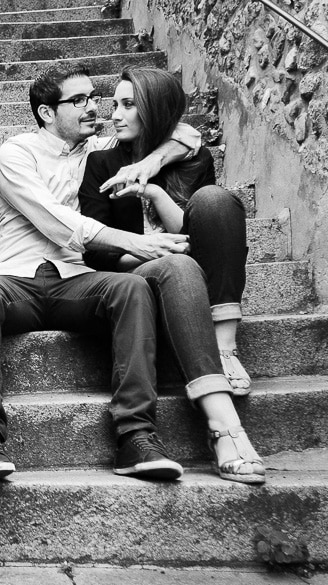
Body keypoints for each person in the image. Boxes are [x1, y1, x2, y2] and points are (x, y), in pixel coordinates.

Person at [0, 64, 201, 484]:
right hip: (13, 278)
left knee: (132, 288)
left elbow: (189, 136)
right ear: (47, 113)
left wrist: (151, 162)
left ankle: (136, 436)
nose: (94, 108)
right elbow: (54, 221)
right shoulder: (16, 152)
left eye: (93, 97)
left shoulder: (104, 151)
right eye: (79, 101)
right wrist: (131, 241)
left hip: (77, 281)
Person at [78, 67, 264, 485]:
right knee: (177, 265)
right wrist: (146, 250)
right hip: (139, 275)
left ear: (154, 110)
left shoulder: (190, 156)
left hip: (199, 274)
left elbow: (192, 232)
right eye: (114, 105)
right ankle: (224, 428)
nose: (115, 115)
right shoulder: (101, 161)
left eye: (129, 105)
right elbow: (97, 250)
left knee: (216, 202)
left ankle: (225, 346)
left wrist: (154, 191)